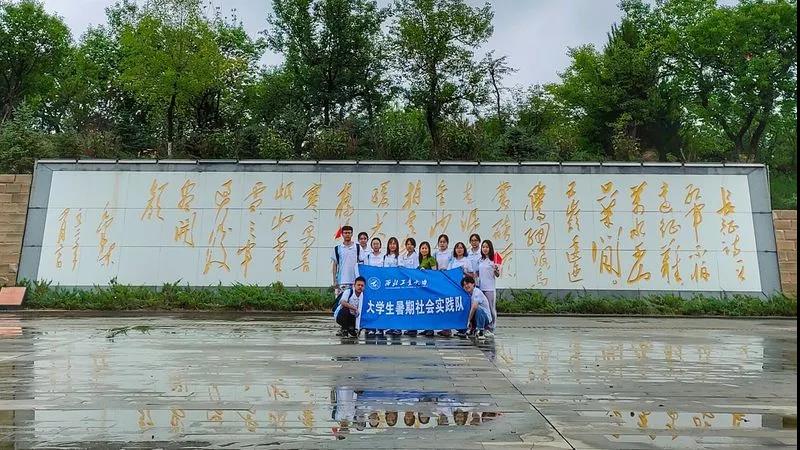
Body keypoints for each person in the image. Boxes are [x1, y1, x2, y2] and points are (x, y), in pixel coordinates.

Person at [450, 242, 472, 337]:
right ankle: (458, 328)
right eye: (457, 248)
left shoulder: (467, 261)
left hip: (464, 288)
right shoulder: (452, 261)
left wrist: (464, 272)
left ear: (464, 250)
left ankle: (466, 327)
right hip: (455, 288)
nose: (459, 250)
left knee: (464, 307)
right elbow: (448, 274)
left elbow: (472, 275)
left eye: (461, 248)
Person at [477, 240, 500, 332]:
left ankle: (492, 326)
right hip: (481, 287)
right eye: (483, 247)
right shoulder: (480, 260)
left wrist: (496, 270)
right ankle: (484, 325)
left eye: (487, 247)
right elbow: (478, 273)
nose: (485, 249)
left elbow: (497, 274)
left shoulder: (493, 260)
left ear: (490, 248)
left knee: (491, 307)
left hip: (489, 288)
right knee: (483, 308)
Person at [331, 225, 361, 295]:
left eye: (349, 233)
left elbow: (362, 262)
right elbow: (335, 265)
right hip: (342, 281)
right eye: (345, 233)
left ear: (352, 234)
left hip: (355, 281)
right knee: (342, 300)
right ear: (342, 234)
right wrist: (334, 281)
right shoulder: (337, 248)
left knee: (354, 300)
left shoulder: (357, 247)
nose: (347, 234)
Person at [462, 275, 492, 340]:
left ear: (473, 284)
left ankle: (480, 330)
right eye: (464, 285)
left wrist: (468, 320)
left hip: (485, 318)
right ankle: (472, 329)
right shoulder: (468, 295)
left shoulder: (477, 292)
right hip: (475, 318)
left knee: (477, 309)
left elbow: (474, 307)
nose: (466, 286)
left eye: (467, 283)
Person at [417, 241, 437, 336]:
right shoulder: (421, 260)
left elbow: (434, 273)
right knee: (424, 307)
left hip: (430, 287)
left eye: (426, 248)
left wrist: (425, 271)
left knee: (430, 307)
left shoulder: (431, 259)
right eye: (422, 248)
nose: (424, 250)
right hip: (423, 288)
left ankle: (431, 328)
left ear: (429, 249)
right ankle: (426, 328)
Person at [384, 237, 402, 336]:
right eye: (390, 243)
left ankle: (398, 328)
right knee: (390, 306)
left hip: (396, 286)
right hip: (387, 285)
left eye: (394, 243)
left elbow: (401, 270)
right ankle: (391, 326)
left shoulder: (399, 257)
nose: (392, 245)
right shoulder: (385, 257)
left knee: (397, 306)